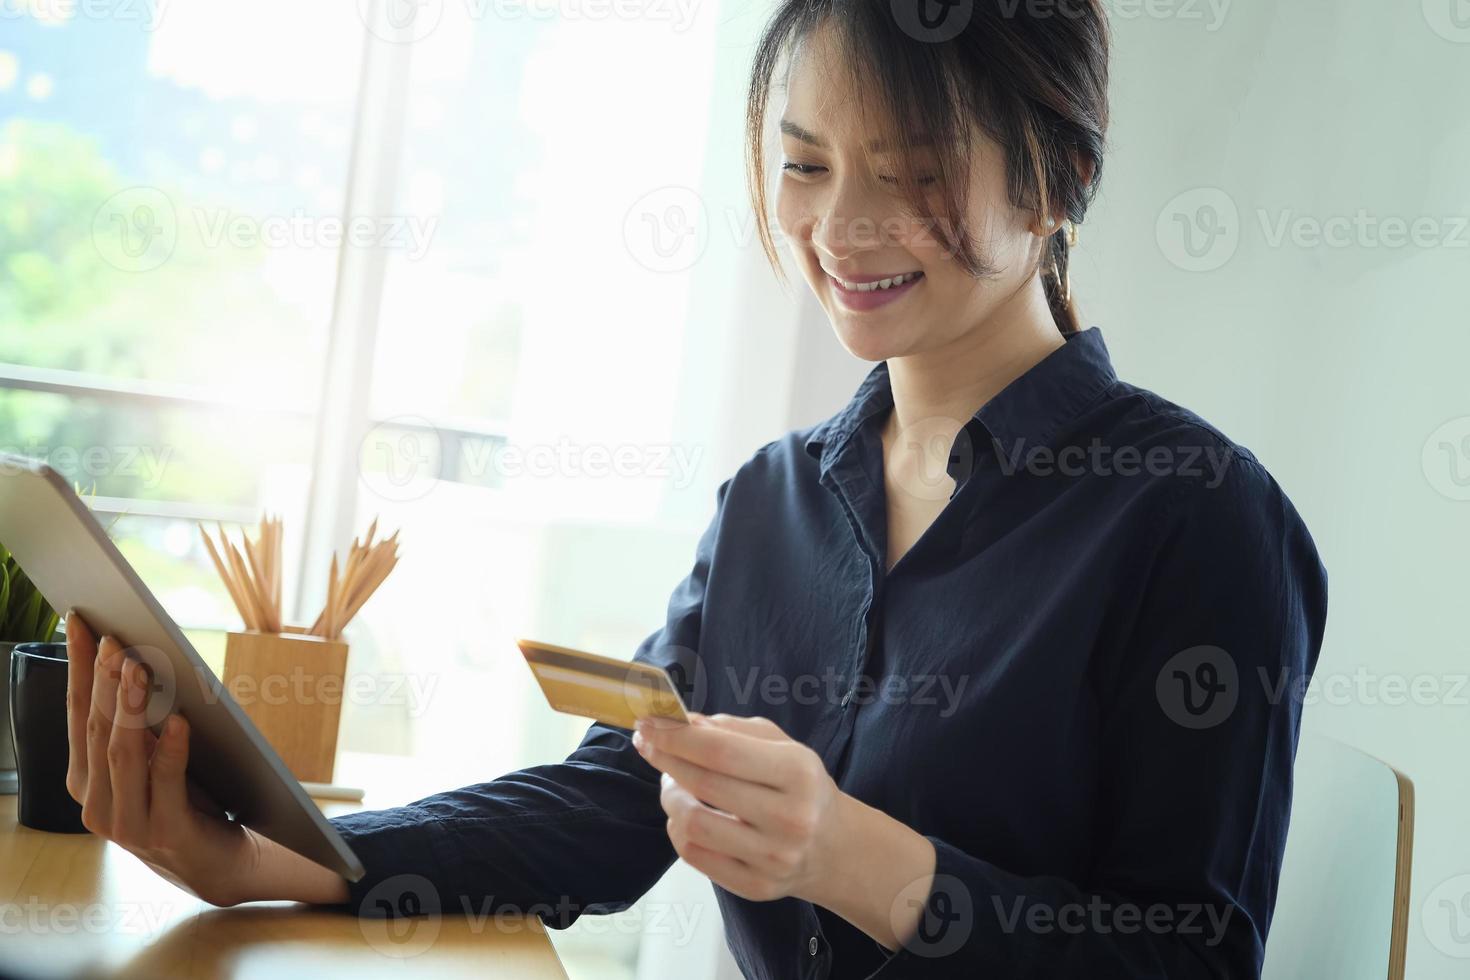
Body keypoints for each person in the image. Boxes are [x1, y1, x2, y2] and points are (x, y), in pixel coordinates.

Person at [62, 2, 1327, 976]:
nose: (842, 226)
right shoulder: (776, 499)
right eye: (807, 163)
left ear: (1059, 181)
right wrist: (280, 858)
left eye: (913, 170)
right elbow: (616, 800)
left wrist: (859, 861)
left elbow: (1190, 958)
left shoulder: (1197, 516)